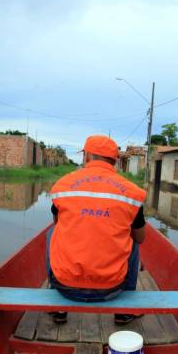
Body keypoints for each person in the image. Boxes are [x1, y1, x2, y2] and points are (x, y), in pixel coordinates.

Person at [46, 134, 147, 325]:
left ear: (87, 156)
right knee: (132, 238)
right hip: (112, 288)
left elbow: (56, 221)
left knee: (52, 233)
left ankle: (57, 305)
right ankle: (125, 311)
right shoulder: (132, 192)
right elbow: (141, 238)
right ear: (115, 160)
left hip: (65, 287)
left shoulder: (63, 185)